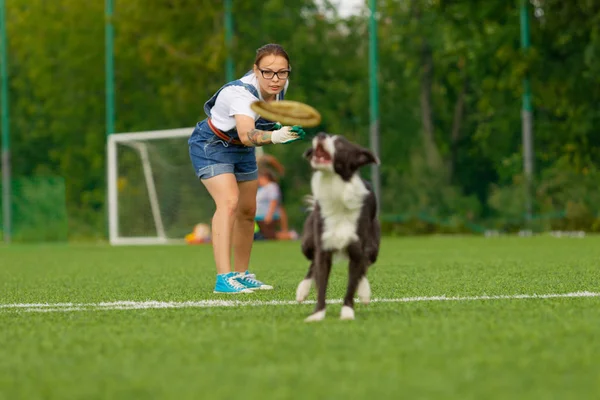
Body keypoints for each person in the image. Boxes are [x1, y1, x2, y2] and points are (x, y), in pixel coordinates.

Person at [188, 43, 305, 294]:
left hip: (242, 148)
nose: (276, 79)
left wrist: (278, 129)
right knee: (229, 202)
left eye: (282, 72)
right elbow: (246, 133)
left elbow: (262, 121)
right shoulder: (241, 94)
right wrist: (274, 137)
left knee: (248, 210)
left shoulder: (280, 86)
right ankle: (223, 279)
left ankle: (241, 275)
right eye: (268, 72)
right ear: (256, 69)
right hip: (212, 144)